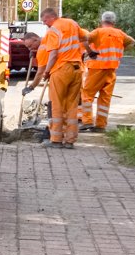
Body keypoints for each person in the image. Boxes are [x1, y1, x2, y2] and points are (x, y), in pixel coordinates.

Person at [22, 8, 90, 149]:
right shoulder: (72, 23)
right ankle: (70, 140)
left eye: (44, 20)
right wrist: (90, 51)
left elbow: (51, 56)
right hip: (77, 69)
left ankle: (56, 139)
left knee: (56, 105)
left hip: (61, 70)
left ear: (51, 17)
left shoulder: (53, 31)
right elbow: (85, 38)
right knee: (72, 106)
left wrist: (46, 73)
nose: (44, 23)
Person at [81, 11, 135, 132]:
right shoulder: (120, 33)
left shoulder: (98, 32)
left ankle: (87, 121)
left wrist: (89, 52)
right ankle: (101, 125)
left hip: (97, 68)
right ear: (114, 22)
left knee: (87, 95)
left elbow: (83, 39)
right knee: (105, 97)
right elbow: (132, 41)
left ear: (102, 21)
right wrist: (121, 48)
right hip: (112, 69)